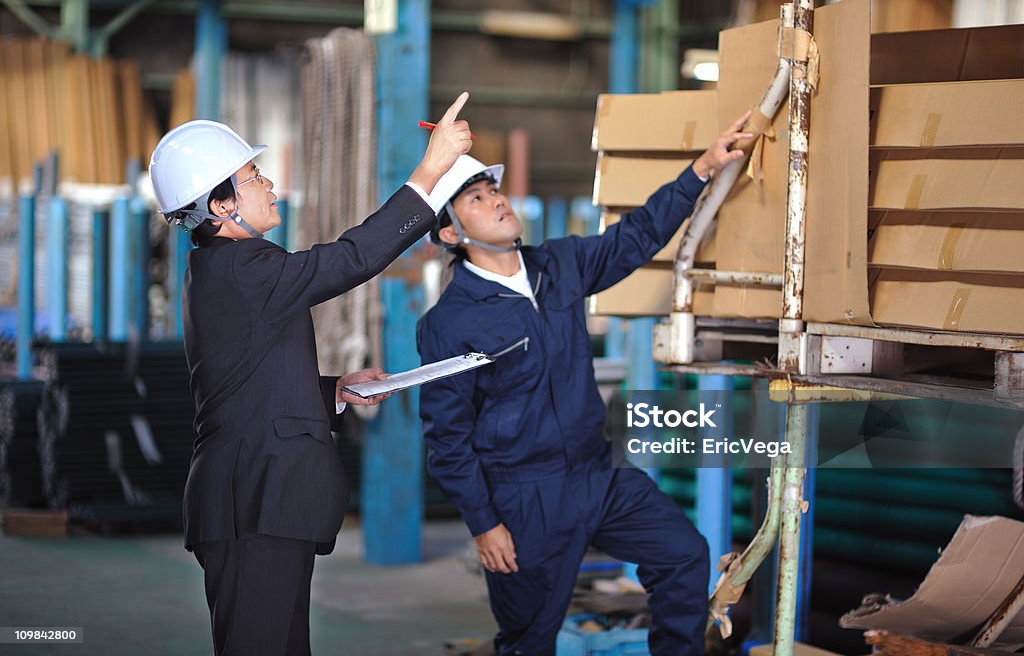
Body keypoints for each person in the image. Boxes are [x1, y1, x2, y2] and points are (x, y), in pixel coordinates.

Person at [416, 111, 753, 656]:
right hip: (526, 497)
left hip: (599, 476)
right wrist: (484, 524)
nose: (498, 201)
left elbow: (636, 236)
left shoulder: (560, 264)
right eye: (475, 199)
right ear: (451, 233)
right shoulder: (449, 322)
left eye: (493, 190)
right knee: (530, 637)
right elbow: (447, 437)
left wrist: (702, 168)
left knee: (684, 554)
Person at [148, 92, 473, 656]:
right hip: (255, 500)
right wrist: (432, 168)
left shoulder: (217, 271)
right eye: (253, 178)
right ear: (221, 206)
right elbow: (353, 258)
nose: (269, 185)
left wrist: (331, 391)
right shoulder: (247, 266)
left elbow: (241, 382)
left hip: (252, 499)